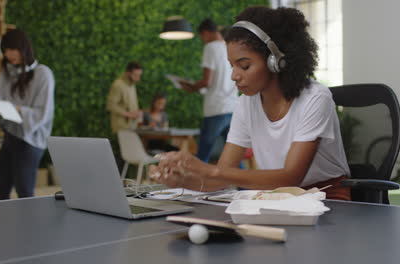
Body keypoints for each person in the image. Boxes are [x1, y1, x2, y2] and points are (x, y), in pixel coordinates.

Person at [149, 6, 351, 200]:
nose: (234, 76)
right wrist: (181, 181)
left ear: (276, 61)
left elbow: (291, 177)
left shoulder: (315, 98)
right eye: (232, 66)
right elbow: (220, 180)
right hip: (280, 199)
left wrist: (211, 170)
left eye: (244, 66)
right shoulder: (246, 104)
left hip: (327, 199)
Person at [0, 29, 55, 200]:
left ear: (23, 48)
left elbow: (42, 114)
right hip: (11, 134)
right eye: (5, 50)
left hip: (31, 139)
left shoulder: (43, 74)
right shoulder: (8, 71)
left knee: (24, 191)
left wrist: (17, 109)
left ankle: (29, 226)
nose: (8, 54)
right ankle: (3, 225)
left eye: (12, 49)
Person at [180, 18, 238, 162]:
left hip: (215, 109)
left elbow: (207, 81)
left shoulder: (210, 47)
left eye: (202, 37)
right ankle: (245, 186)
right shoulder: (229, 47)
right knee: (233, 157)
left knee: (202, 155)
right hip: (232, 108)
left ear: (206, 33)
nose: (203, 41)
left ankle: (195, 185)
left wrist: (191, 87)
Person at [107, 61, 143, 133]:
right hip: (121, 127)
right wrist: (129, 114)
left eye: (139, 75)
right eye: (135, 75)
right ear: (128, 73)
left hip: (132, 126)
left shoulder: (132, 85)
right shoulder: (118, 85)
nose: (138, 78)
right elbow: (110, 106)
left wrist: (137, 114)